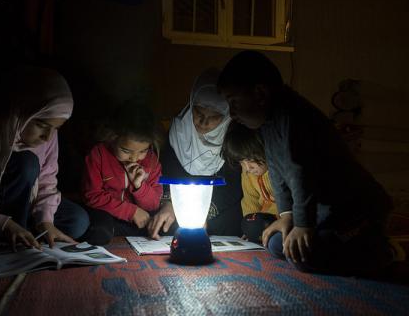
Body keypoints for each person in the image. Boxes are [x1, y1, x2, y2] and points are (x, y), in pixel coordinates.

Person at [217, 50, 394, 275]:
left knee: (302, 256)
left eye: (233, 101)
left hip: (354, 211)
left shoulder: (294, 118)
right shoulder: (268, 124)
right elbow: (279, 175)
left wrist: (302, 226)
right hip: (321, 215)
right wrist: (286, 216)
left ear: (260, 93)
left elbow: (300, 175)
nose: (231, 113)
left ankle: (373, 249)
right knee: (276, 243)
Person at [0, 66, 90, 251]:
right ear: (21, 111)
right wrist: (4, 225)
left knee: (78, 220)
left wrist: (45, 221)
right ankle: (8, 236)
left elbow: (47, 180)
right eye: (41, 124)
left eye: (56, 129)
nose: (48, 137)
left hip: (25, 202)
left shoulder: (48, 137)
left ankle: (26, 231)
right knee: (26, 163)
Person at [147, 68, 243, 239]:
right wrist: (170, 204)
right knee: (168, 224)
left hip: (219, 207)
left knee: (227, 227)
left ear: (226, 115)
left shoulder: (233, 137)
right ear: (191, 105)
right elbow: (168, 172)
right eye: (198, 112)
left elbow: (233, 188)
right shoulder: (179, 132)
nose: (203, 122)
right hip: (181, 204)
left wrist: (204, 212)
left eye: (214, 117)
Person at [82, 102, 164, 245]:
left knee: (167, 225)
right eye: (126, 151)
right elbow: (93, 196)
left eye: (142, 151)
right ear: (112, 138)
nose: (134, 158)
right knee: (100, 231)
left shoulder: (151, 161)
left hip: (141, 217)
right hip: (108, 214)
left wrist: (139, 186)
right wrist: (131, 212)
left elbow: (153, 204)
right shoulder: (98, 155)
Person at [221, 122, 279, 244]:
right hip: (263, 219)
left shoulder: (278, 169)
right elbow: (249, 199)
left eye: (249, 159)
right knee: (249, 224)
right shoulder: (248, 173)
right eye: (242, 161)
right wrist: (249, 229)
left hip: (283, 218)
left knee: (274, 241)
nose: (247, 168)